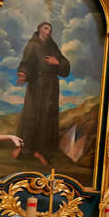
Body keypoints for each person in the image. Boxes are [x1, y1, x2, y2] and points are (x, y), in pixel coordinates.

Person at [14, 21, 70, 165]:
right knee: (31, 115)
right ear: (39, 29)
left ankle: (41, 151)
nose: (48, 31)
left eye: (50, 29)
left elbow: (64, 62)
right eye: (46, 28)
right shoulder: (32, 45)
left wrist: (57, 62)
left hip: (51, 86)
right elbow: (26, 63)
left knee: (47, 118)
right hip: (37, 85)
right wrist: (22, 74)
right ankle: (21, 146)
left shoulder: (53, 46)